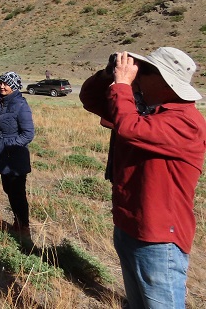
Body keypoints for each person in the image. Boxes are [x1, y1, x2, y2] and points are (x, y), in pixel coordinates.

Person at [80, 47, 205, 309]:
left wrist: (123, 85)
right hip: (130, 225)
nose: (137, 74)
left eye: (145, 70)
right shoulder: (147, 111)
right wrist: (108, 74)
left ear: (166, 81)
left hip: (159, 238)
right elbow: (91, 98)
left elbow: (129, 128)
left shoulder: (186, 122)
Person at [0, 71, 34, 235]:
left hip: (15, 156)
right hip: (0, 152)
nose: (1, 86)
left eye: (5, 83)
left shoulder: (21, 105)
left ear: (13, 86)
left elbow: (28, 134)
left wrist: (9, 145)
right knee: (8, 188)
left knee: (17, 192)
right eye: (0, 83)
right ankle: (17, 220)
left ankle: (24, 226)